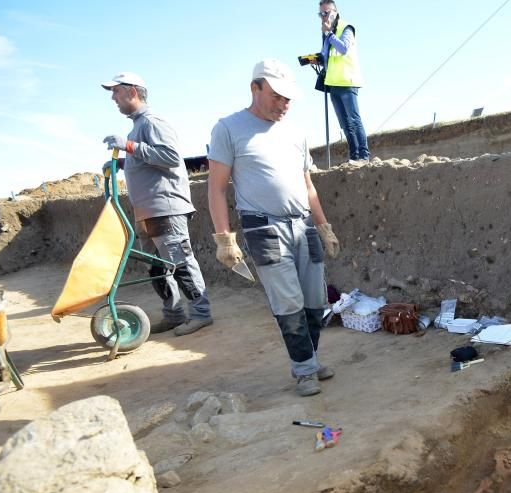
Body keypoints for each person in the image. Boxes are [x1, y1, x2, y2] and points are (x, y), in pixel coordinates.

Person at [207, 59, 342, 397]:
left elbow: (308, 185)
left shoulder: (296, 133)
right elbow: (216, 188)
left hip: (304, 225)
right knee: (289, 302)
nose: (283, 105)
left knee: (314, 301)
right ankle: (305, 371)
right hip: (263, 228)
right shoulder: (229, 129)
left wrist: (324, 227)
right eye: (277, 97)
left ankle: (308, 357)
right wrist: (224, 238)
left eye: (288, 99)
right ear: (255, 88)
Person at [101, 72, 212, 336]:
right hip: (148, 210)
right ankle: (173, 314)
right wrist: (124, 161)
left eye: (115, 92)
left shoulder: (152, 122)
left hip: (165, 206)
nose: (113, 98)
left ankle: (201, 313)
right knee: (156, 267)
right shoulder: (138, 126)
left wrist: (129, 146)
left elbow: (171, 157)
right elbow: (148, 158)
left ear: (132, 92)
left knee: (180, 262)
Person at [316, 0, 370, 162]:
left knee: (354, 120)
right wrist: (316, 59)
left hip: (347, 81)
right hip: (333, 84)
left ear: (335, 12)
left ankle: (364, 155)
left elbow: (344, 48)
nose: (323, 17)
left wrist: (329, 35)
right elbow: (327, 56)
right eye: (320, 14)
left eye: (326, 13)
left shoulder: (346, 28)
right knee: (344, 124)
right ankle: (354, 156)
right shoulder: (327, 34)